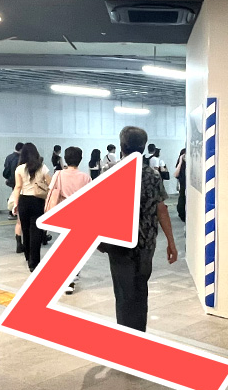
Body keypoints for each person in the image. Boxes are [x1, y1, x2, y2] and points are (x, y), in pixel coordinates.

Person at [99, 127, 177, 331]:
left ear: (122, 146)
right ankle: (139, 333)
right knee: (141, 290)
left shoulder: (110, 171)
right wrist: (171, 242)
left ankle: (126, 339)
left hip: (119, 243)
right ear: (143, 147)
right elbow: (161, 209)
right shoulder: (153, 175)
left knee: (123, 294)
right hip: (146, 243)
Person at [47, 147, 92, 294]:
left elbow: (51, 191)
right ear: (80, 159)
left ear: (66, 159)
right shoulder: (85, 177)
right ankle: (72, 278)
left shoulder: (59, 174)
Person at [11, 143, 51, 271]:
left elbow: (18, 187)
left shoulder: (19, 169)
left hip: (24, 201)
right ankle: (34, 263)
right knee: (36, 232)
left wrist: (15, 204)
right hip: (37, 201)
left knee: (26, 230)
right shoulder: (42, 167)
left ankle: (28, 257)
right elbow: (50, 185)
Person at [3, 142, 23, 220]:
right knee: (18, 196)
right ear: (21, 149)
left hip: (11, 180)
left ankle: (12, 211)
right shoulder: (20, 158)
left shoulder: (9, 157)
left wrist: (8, 179)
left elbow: (6, 169)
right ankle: (13, 211)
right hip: (18, 180)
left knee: (14, 195)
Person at [174, 148, 186, 222]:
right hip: (183, 186)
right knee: (182, 199)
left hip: (187, 187)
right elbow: (176, 175)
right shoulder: (181, 165)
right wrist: (181, 161)